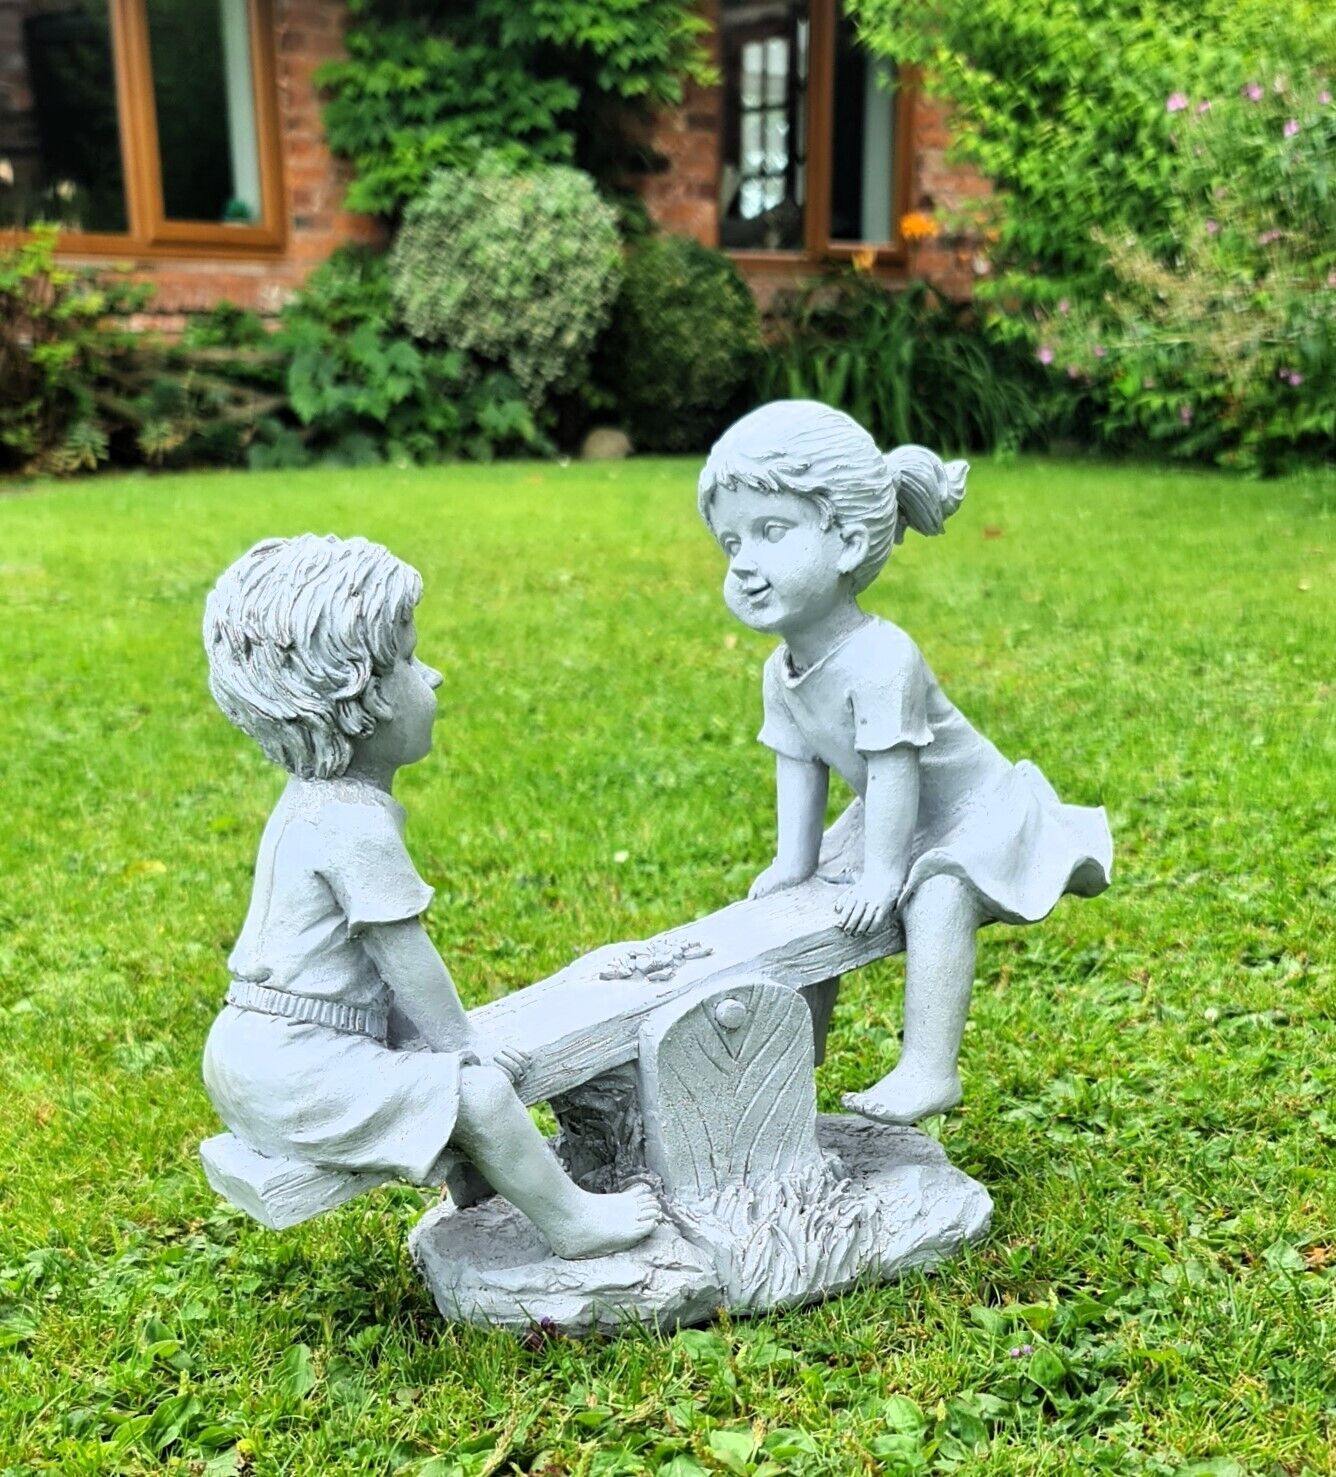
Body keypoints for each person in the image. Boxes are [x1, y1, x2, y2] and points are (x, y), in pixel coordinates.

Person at [201, 534, 659, 1258]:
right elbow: (405, 957)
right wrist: (466, 1048)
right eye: (410, 660)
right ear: (356, 698)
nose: (434, 675)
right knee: (472, 1091)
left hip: (256, 1049)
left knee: (424, 1058)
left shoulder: (311, 803)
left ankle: (481, 1194)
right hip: (295, 1064)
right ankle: (575, 1223)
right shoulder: (352, 822)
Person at [698, 401, 1113, 1125]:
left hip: (971, 809)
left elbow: (894, 771)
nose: (744, 564)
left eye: (770, 532)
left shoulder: (883, 657)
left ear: (850, 541)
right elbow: (801, 767)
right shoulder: (780, 668)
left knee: (937, 895)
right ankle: (795, 1048)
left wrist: (886, 873)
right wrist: (795, 863)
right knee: (797, 898)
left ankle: (929, 1067)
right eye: (731, 542)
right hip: (897, 814)